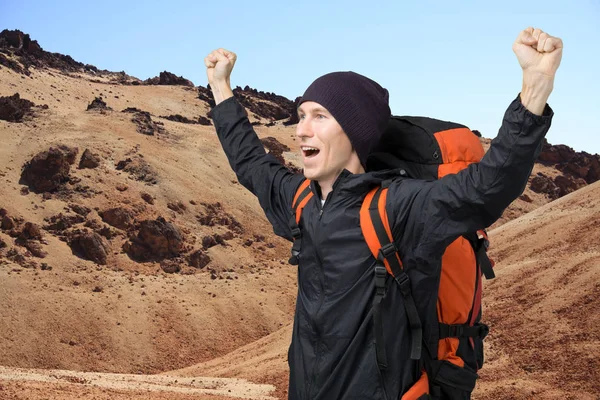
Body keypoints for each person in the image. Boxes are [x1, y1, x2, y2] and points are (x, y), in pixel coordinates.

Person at [204, 27, 562, 400]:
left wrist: (535, 88)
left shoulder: (399, 207)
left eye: (320, 117)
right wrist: (221, 88)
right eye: (301, 115)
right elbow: (249, 163)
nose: (301, 130)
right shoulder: (302, 201)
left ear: (355, 132)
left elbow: (487, 186)